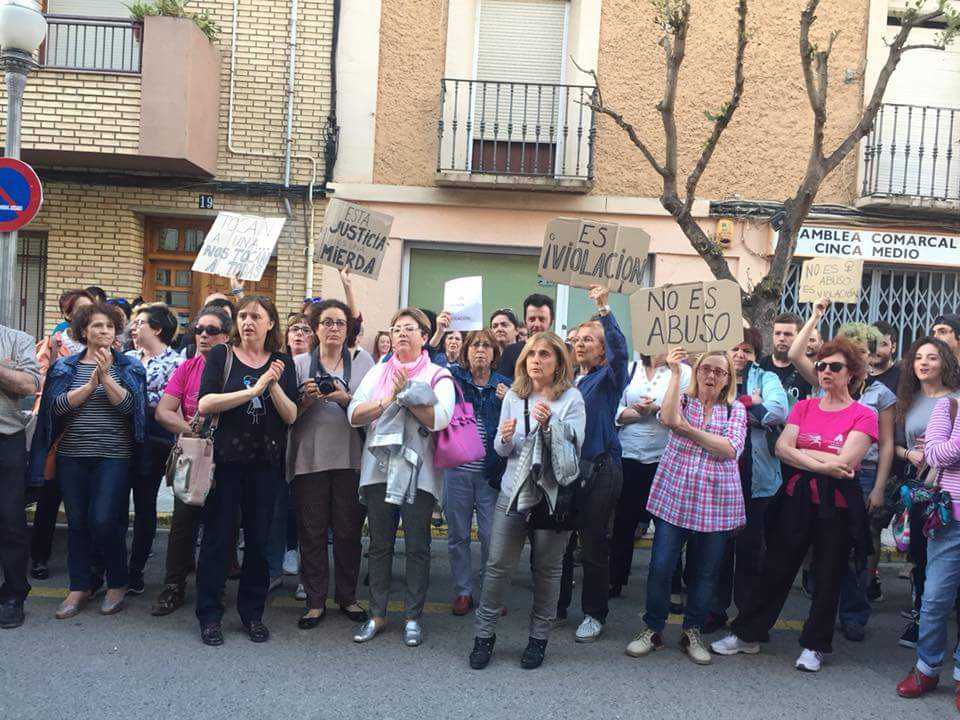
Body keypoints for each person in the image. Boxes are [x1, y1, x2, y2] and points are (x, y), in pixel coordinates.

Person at [712, 337, 877, 673]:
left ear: (852, 373)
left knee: (828, 574)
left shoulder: (864, 414)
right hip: (797, 498)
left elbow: (845, 462)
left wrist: (804, 455)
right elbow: (781, 449)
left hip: (837, 505)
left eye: (835, 366)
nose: (826, 371)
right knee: (775, 567)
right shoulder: (804, 407)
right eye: (821, 365)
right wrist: (824, 462)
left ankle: (815, 645)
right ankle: (747, 634)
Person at [469, 331, 586, 670]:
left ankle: (538, 639)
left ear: (558, 363)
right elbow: (502, 449)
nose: (536, 360)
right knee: (497, 566)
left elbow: (575, 448)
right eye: (532, 354)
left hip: (551, 496)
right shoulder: (514, 395)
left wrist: (551, 426)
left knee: (547, 570)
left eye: (544, 354)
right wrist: (504, 439)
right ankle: (484, 636)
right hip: (513, 491)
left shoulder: (572, 398)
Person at [626, 348, 747, 666]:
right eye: (706, 369)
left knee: (705, 573)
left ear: (728, 379)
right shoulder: (681, 399)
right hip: (675, 498)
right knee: (661, 566)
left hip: (715, 503)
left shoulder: (735, 409)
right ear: (697, 371)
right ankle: (653, 628)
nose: (711, 376)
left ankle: (691, 630)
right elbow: (668, 419)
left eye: (719, 371)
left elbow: (729, 448)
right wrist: (676, 372)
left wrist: (688, 430)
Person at [29, 302, 148, 619]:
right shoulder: (64, 367)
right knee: (77, 522)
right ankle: (79, 586)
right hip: (71, 455)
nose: (104, 331)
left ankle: (117, 581)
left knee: (103, 519)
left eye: (109, 326)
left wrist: (106, 377)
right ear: (83, 330)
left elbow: (131, 408)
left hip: (114, 456)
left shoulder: (129, 366)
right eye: (97, 325)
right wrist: (91, 384)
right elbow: (55, 408)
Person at [347, 308, 455, 646]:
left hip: (419, 472)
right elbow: (354, 413)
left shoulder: (438, 374)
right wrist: (389, 399)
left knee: (418, 547)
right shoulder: (378, 372)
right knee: (379, 545)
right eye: (396, 329)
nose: (402, 334)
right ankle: (376, 615)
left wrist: (407, 397)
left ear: (424, 337)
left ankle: (412, 618)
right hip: (378, 469)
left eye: (410, 328)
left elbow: (441, 418)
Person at [194, 296, 298, 646]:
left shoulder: (283, 362)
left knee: (259, 542)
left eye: (256, 316)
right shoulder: (221, 355)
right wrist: (253, 390)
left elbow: (291, 415)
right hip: (225, 463)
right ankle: (210, 616)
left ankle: (252, 614)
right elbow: (206, 403)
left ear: (271, 323)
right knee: (217, 540)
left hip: (265, 465)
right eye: (242, 316)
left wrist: (272, 384)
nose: (248, 322)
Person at [789, 307, 894, 640]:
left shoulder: (881, 395)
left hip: (861, 475)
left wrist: (878, 488)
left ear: (870, 356)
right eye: (850, 347)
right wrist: (815, 317)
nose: (856, 353)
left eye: (862, 349)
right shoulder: (826, 378)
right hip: (819, 474)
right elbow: (795, 354)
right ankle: (821, 603)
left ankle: (853, 613)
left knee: (851, 548)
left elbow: (887, 445)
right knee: (821, 545)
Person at [289, 299, 374, 629]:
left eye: (340, 323)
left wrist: (345, 399)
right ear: (315, 328)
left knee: (348, 532)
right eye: (327, 322)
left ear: (348, 329)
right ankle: (314, 601)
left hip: (351, 459)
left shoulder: (363, 361)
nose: (334, 328)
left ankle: (347, 597)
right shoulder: (299, 364)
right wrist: (307, 400)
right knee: (311, 533)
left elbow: (372, 409)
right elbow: (288, 415)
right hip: (309, 459)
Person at [705, 329, 789, 633]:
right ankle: (715, 609)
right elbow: (707, 410)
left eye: (747, 350)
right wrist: (751, 403)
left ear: (755, 354)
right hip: (719, 477)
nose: (740, 355)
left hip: (757, 479)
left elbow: (778, 412)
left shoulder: (766, 378)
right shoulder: (713, 374)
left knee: (751, 549)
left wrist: (738, 406)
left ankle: (748, 615)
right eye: (735, 348)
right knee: (718, 548)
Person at [150, 307, 232, 616]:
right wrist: (191, 429)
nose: (203, 335)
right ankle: (174, 586)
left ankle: (215, 589)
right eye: (198, 329)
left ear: (226, 336)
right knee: (183, 524)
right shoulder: (187, 368)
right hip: (194, 457)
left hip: (228, 458)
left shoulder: (234, 367)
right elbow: (164, 411)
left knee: (221, 526)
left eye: (211, 330)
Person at [557, 286, 628, 642]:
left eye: (589, 339)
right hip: (566, 470)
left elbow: (621, 353)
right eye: (577, 339)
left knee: (593, 543)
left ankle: (594, 614)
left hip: (600, 470)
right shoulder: (568, 381)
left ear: (602, 349)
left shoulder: (609, 378)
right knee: (560, 540)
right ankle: (557, 607)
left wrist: (605, 311)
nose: (580, 344)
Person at [891, 336, 960, 649]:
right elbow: (893, 443)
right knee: (919, 554)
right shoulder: (907, 399)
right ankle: (920, 617)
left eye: (932, 357)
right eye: (919, 357)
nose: (924, 363)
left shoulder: (955, 400)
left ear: (944, 362)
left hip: (946, 489)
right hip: (916, 488)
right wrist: (910, 454)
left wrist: (934, 452)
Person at [895, 393, 960, 712]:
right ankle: (927, 668)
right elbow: (933, 454)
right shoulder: (949, 405)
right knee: (934, 599)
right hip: (949, 521)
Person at [609, 352, 691, 597]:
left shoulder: (683, 372)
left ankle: (672, 584)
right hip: (629, 453)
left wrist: (656, 410)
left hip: (665, 456)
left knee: (668, 523)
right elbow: (615, 407)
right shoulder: (630, 368)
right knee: (624, 520)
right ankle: (615, 579)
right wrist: (638, 413)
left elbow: (684, 411)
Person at [30, 288, 95, 580]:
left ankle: (86, 562)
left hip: (91, 429)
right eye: (82, 310)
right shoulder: (53, 344)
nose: (89, 315)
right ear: (67, 315)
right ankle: (39, 557)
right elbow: (39, 382)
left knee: (85, 502)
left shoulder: (102, 344)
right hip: (57, 427)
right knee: (50, 495)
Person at [444, 329, 509, 615]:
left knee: (490, 535)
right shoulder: (452, 379)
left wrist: (509, 400)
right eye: (474, 345)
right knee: (457, 534)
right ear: (465, 352)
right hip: (457, 469)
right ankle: (463, 591)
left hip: (490, 473)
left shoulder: (506, 386)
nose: (480, 350)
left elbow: (520, 421)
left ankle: (491, 595)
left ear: (494, 353)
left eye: (486, 346)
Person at [125, 303, 183, 595]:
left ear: (158, 329)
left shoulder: (177, 363)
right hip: (121, 437)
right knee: (114, 504)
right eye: (133, 323)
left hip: (155, 439)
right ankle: (109, 568)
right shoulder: (126, 358)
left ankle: (135, 569)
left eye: (140, 323)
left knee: (144, 503)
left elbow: (170, 404)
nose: (133, 328)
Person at [0, 324, 41, 628]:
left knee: (10, 518)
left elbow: (29, 384)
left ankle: (14, 594)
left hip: (6, 438)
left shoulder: (17, 340)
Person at [758, 312, 812, 406]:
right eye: (777, 333)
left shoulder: (806, 370)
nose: (781, 338)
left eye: (787, 334)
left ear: (800, 337)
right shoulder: (760, 366)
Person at [497, 294, 555, 379]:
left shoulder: (563, 351)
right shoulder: (510, 352)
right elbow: (501, 383)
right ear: (525, 321)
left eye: (542, 319)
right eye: (532, 319)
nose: (537, 324)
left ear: (551, 321)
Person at [871, 320, 900, 394]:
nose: (876, 349)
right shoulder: (858, 376)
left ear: (893, 347)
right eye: (873, 343)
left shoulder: (901, 377)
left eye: (883, 344)